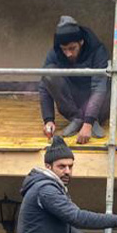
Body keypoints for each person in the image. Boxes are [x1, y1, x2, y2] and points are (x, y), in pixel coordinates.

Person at [39, 15, 110, 144]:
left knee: (113, 79)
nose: (68, 54)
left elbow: (99, 87)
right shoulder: (55, 52)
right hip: (73, 102)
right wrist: (48, 120)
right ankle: (76, 118)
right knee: (49, 73)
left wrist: (88, 123)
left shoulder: (98, 50)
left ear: (81, 42)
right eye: (64, 49)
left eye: (72, 48)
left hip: (98, 104)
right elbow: (44, 87)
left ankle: (93, 120)